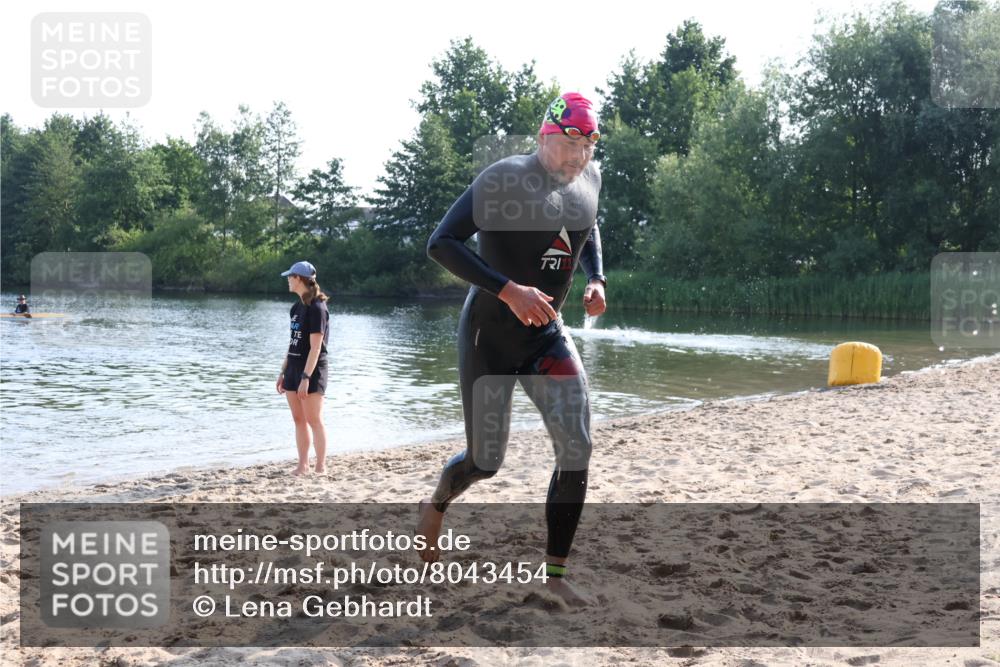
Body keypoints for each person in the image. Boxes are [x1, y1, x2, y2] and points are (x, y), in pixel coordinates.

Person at [417, 92, 607, 607]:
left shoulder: (588, 179)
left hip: (547, 334)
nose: (578, 158)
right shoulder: (504, 179)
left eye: (587, 146)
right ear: (545, 135)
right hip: (489, 337)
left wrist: (597, 279)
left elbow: (586, 225)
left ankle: (556, 575)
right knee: (486, 461)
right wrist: (508, 290)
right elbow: (442, 243)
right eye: (569, 145)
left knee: (578, 446)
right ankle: (438, 500)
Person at [275, 261, 330, 476]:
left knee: (313, 420)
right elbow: (293, 343)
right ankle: (303, 465)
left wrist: (306, 377)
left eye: (290, 276)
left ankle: (320, 466)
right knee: (298, 419)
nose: (288, 280)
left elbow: (316, 347)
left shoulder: (318, 308)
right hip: (294, 368)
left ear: (299, 278)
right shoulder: (296, 308)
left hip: (312, 371)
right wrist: (283, 372)